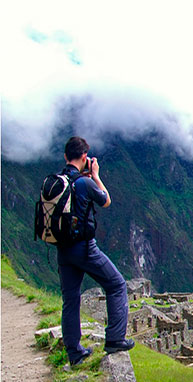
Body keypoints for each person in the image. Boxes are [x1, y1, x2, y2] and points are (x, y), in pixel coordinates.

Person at [57, 136, 134, 365]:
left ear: (65, 157)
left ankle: (74, 353)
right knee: (116, 284)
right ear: (84, 158)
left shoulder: (58, 182)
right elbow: (106, 201)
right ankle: (115, 339)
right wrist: (96, 176)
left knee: (70, 300)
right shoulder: (84, 183)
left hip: (63, 250)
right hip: (85, 249)